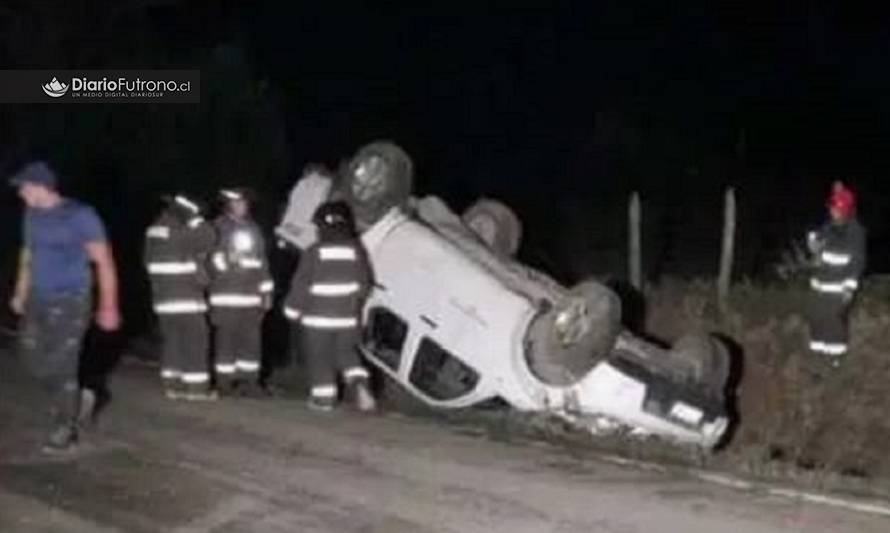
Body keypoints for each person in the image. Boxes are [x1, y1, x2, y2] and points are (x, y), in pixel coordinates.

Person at [8, 161, 121, 453]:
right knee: (32, 359)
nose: (21, 193)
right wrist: (20, 291)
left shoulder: (81, 216)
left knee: (63, 364)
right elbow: (28, 254)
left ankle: (64, 427)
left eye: (24, 187)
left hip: (71, 300)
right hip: (38, 298)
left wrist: (109, 306)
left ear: (40, 187)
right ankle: (79, 398)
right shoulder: (31, 215)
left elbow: (104, 261)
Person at [282, 200, 376, 411]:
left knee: (320, 358)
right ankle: (360, 384)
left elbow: (301, 285)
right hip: (348, 319)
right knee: (347, 355)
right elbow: (365, 285)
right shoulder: (356, 250)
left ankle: (323, 399)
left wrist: (291, 311)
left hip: (318, 320)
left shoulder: (314, 252)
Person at [144, 194, 217, 400]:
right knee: (196, 340)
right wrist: (196, 220)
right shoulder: (182, 232)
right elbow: (209, 237)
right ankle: (197, 389)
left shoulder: (154, 230)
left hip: (163, 299)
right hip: (185, 297)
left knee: (172, 341)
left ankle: (172, 384)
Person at [208, 188, 273, 396]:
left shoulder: (254, 230)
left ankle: (250, 383)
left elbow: (262, 264)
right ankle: (224, 382)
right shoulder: (216, 228)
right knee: (226, 341)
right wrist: (227, 260)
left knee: (251, 342)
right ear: (228, 205)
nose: (241, 206)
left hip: (250, 298)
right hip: (226, 296)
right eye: (236, 203)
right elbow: (209, 261)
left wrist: (266, 293)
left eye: (244, 203)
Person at [806, 181, 867, 366]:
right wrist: (814, 246)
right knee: (817, 319)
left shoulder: (855, 232)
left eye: (836, 208)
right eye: (831, 208)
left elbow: (857, 262)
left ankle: (835, 359)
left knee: (835, 324)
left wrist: (849, 288)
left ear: (845, 210)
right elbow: (819, 252)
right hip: (820, 286)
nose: (832, 211)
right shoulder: (828, 227)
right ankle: (817, 356)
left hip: (837, 289)